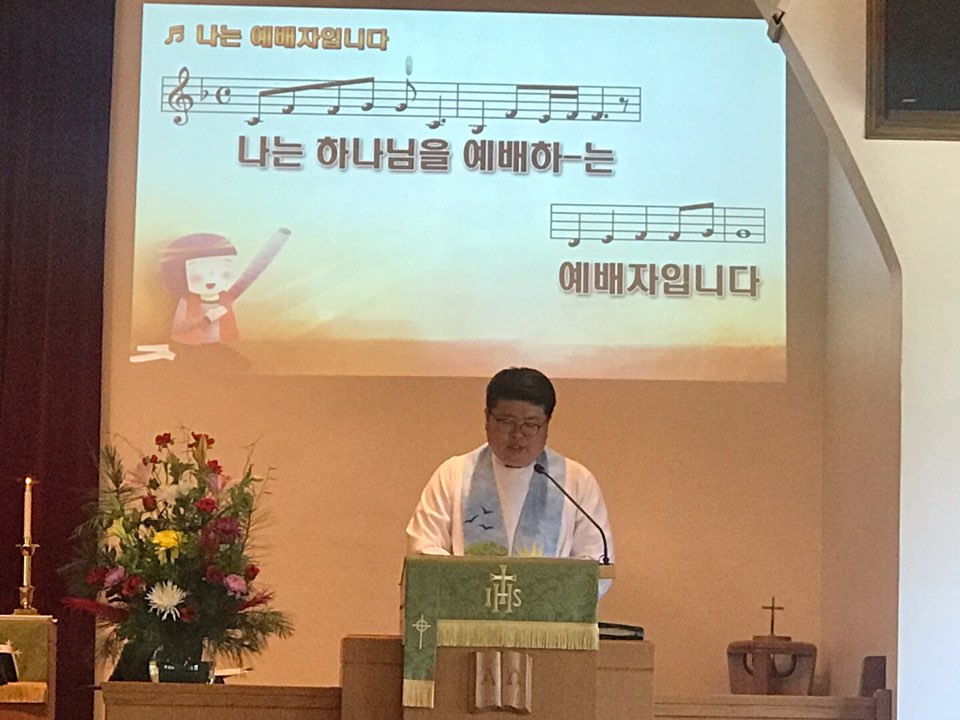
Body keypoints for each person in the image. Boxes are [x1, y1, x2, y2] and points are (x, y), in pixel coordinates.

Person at [406, 367, 614, 594]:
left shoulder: (576, 481)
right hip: (465, 612)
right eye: (506, 422)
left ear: (547, 424)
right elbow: (423, 550)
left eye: (530, 424)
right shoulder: (453, 474)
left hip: (546, 616)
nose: (517, 434)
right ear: (487, 418)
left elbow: (595, 563)